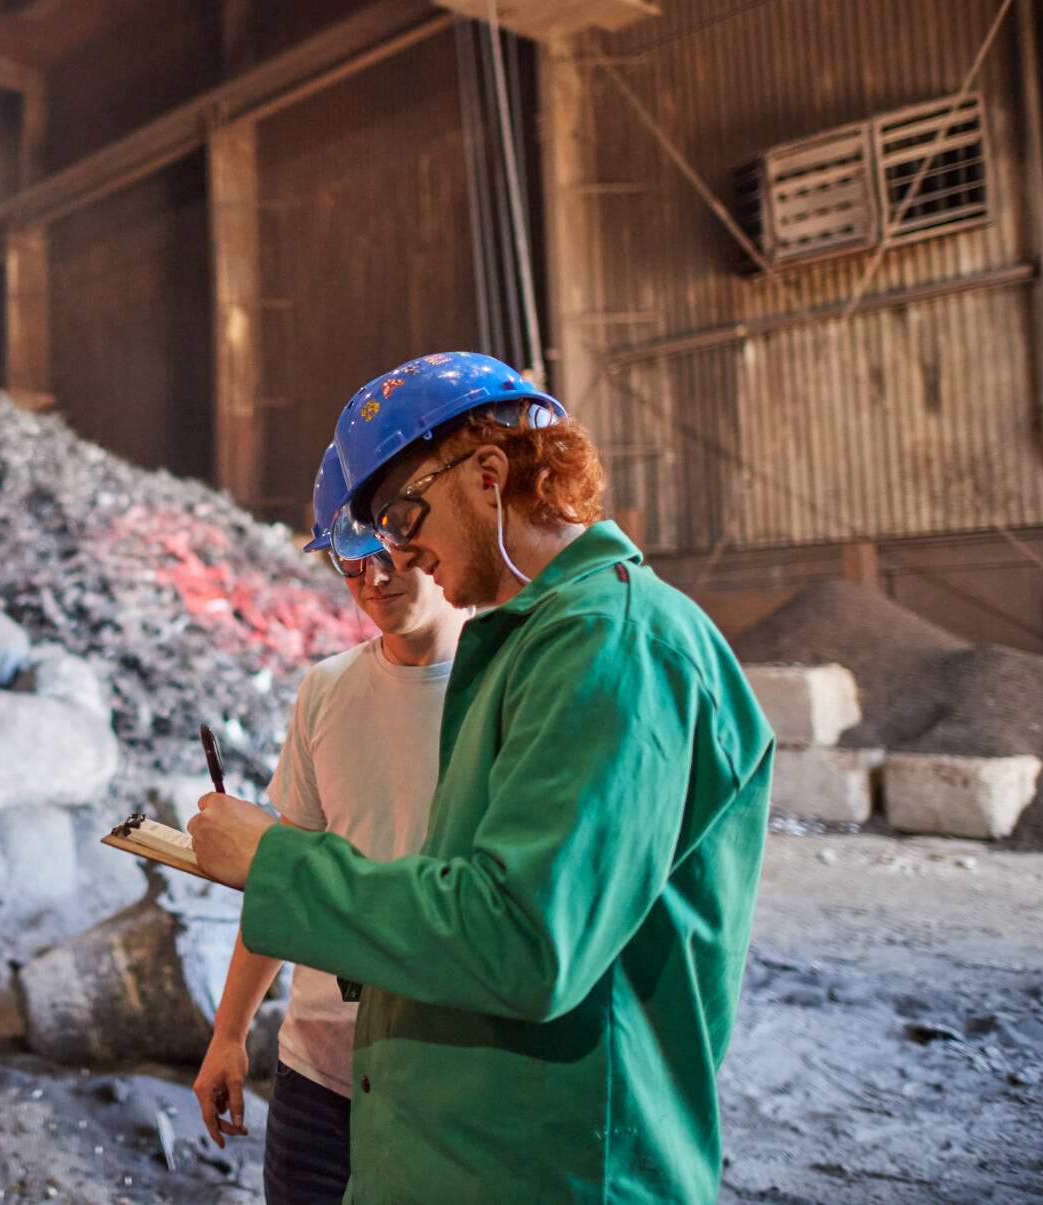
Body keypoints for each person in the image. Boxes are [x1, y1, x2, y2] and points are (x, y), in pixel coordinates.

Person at [188, 352, 774, 1204]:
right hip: (471, 1151)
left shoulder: (612, 643)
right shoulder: (531, 648)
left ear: (490, 476)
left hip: (560, 1167)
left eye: (401, 512)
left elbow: (523, 939)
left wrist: (274, 861)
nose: (397, 553)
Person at [193, 445, 468, 1205]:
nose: (372, 582)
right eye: (350, 565)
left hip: (439, 1079)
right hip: (317, 1075)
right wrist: (229, 1033)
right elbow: (283, 870)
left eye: (388, 557)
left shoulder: (504, 690)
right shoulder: (327, 691)